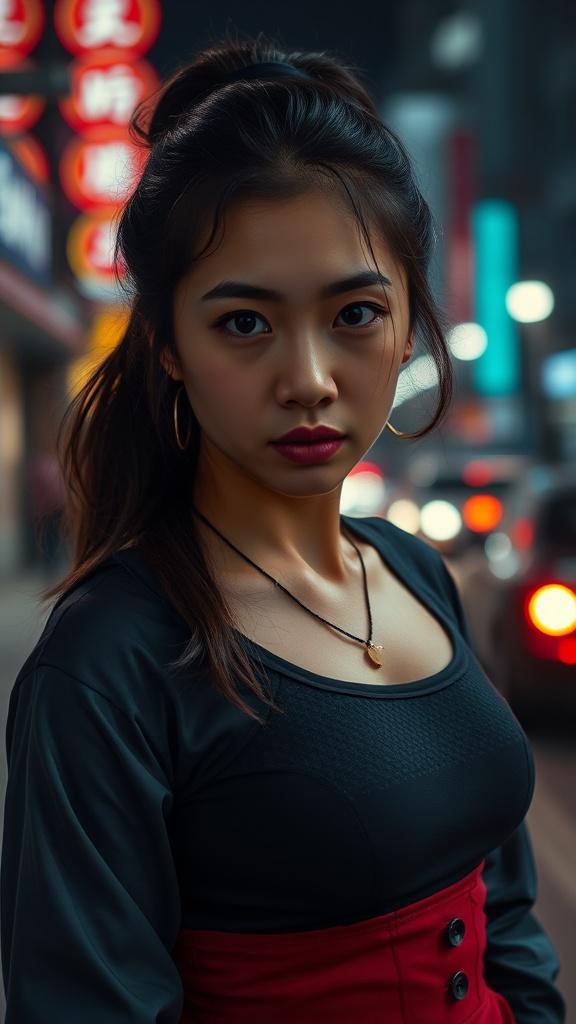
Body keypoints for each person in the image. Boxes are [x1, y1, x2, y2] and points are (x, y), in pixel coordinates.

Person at [0, 34, 566, 1024]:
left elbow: (502, 902)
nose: (308, 378)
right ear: (168, 345)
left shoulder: (415, 572)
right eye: (245, 323)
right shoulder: (111, 661)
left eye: (353, 313)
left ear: (408, 323)